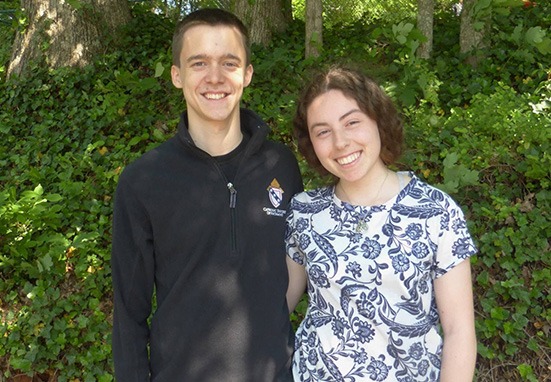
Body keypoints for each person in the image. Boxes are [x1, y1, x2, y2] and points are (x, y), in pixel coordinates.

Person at [111, 8, 303, 382]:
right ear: (177, 75)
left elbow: (295, 266)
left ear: (247, 74)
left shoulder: (281, 165)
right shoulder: (143, 181)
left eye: (229, 62)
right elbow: (128, 315)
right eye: (199, 63)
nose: (215, 77)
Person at [285, 66, 477, 382]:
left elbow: (459, 331)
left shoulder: (435, 212)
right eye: (323, 131)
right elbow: (279, 304)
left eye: (352, 122)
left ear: (378, 120)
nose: (340, 142)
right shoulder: (305, 212)